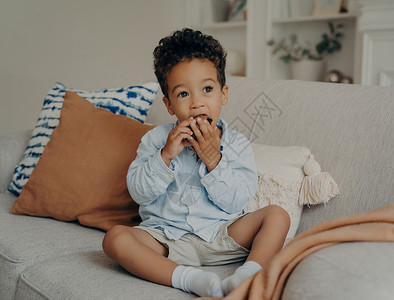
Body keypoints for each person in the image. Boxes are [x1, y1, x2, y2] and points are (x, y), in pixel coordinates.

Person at [102, 28, 290, 297]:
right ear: (168, 105)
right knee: (115, 239)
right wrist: (165, 155)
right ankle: (189, 279)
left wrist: (214, 159)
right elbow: (139, 193)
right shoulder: (156, 140)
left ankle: (248, 274)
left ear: (223, 94)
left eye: (207, 89)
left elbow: (237, 202)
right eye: (183, 94)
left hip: (222, 235)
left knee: (277, 215)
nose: (197, 103)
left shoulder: (236, 144)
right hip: (166, 238)